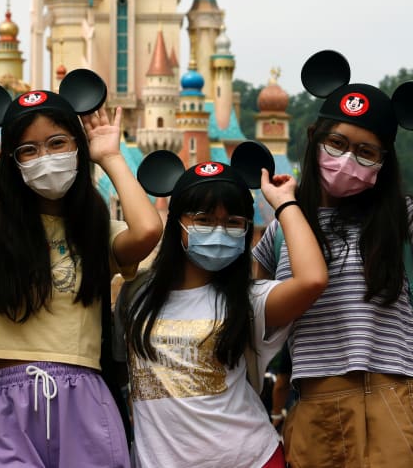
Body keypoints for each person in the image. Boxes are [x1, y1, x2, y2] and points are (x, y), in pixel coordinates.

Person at [0, 73, 163, 468]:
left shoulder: (96, 231)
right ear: (13, 162)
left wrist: (111, 157)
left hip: (83, 396)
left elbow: (148, 230)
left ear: (77, 147)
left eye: (57, 143)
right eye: (28, 150)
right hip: (5, 401)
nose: (45, 157)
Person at [253, 51, 413, 467]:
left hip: (396, 401)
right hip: (312, 410)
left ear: (384, 162)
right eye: (337, 143)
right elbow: (239, 310)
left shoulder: (407, 217)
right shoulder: (283, 228)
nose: (347, 159)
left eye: (367, 152)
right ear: (314, 138)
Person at [118, 146, 327, 467]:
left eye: (232, 222)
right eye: (203, 220)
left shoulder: (249, 300)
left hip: (250, 458)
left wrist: (285, 202)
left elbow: (312, 279)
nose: (218, 231)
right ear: (177, 223)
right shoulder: (137, 296)